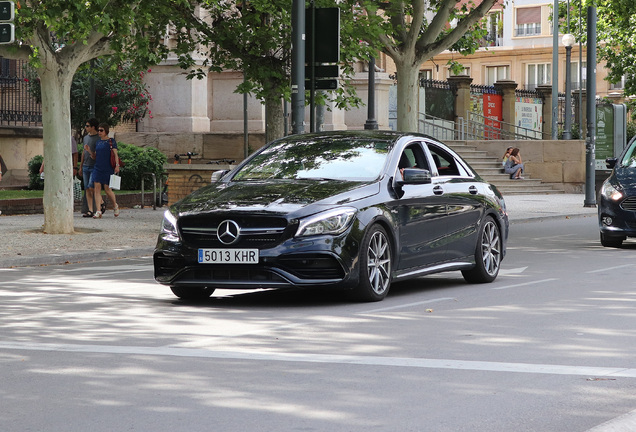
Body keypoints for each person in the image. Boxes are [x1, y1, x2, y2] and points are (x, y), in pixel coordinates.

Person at [92, 123, 120, 218]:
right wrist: (89, 152)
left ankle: (115, 205)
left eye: (101, 130)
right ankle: (98, 210)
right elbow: (95, 155)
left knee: (107, 189)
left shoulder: (111, 141)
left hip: (108, 167)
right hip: (98, 167)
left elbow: (115, 154)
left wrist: (117, 165)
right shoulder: (98, 142)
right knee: (97, 188)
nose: (99, 132)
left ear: (106, 131)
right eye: (98, 130)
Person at [80, 118, 100, 217]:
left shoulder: (98, 138)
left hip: (94, 166)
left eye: (87, 126)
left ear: (93, 127)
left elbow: (95, 156)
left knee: (91, 187)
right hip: (85, 166)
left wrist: (89, 151)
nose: (86, 127)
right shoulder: (85, 138)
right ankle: (90, 210)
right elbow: (83, 152)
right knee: (87, 188)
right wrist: (80, 166)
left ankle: (101, 202)